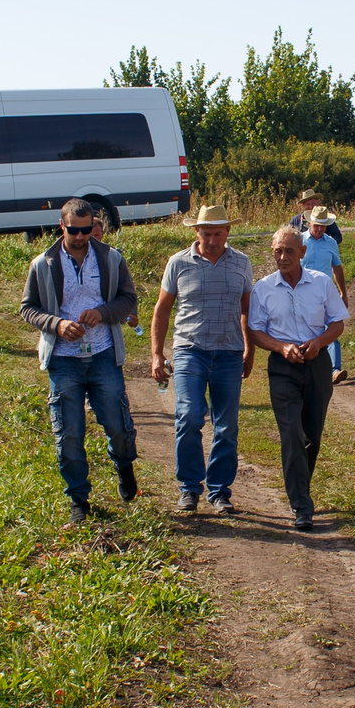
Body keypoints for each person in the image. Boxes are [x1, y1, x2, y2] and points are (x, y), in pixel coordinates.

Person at [21, 199, 142, 521]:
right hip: (64, 359)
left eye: (86, 230)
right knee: (69, 433)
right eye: (74, 230)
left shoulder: (112, 258)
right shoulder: (42, 263)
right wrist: (57, 324)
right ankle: (79, 499)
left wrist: (102, 312)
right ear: (62, 226)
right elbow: (28, 308)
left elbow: (128, 299)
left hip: (103, 354)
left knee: (117, 425)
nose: (80, 236)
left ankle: (124, 465)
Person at [150, 205, 255, 516]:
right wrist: (157, 353)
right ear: (196, 232)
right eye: (206, 234)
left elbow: (247, 309)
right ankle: (189, 487)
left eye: (217, 234)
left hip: (229, 353)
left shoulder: (242, 262)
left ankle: (220, 491)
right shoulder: (178, 263)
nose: (212, 240)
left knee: (227, 426)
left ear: (228, 232)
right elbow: (162, 309)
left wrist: (249, 349)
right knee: (189, 415)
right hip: (190, 350)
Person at [247, 225, 349, 531]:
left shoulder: (321, 283)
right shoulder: (263, 288)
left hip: (317, 364)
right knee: (291, 433)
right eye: (278, 251)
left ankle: (301, 488)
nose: (283, 257)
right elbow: (255, 331)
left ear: (302, 252)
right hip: (283, 367)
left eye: (289, 251)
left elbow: (338, 322)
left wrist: (319, 342)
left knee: (311, 436)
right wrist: (281, 347)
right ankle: (302, 504)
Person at [297, 206, 351, 384]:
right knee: (306, 328)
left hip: (325, 291)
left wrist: (343, 293)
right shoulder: (299, 240)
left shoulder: (331, 243)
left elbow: (337, 268)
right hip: (302, 291)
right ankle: (306, 366)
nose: (319, 229)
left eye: (323, 226)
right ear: (309, 223)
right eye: (316, 225)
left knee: (332, 325)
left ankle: (335, 370)